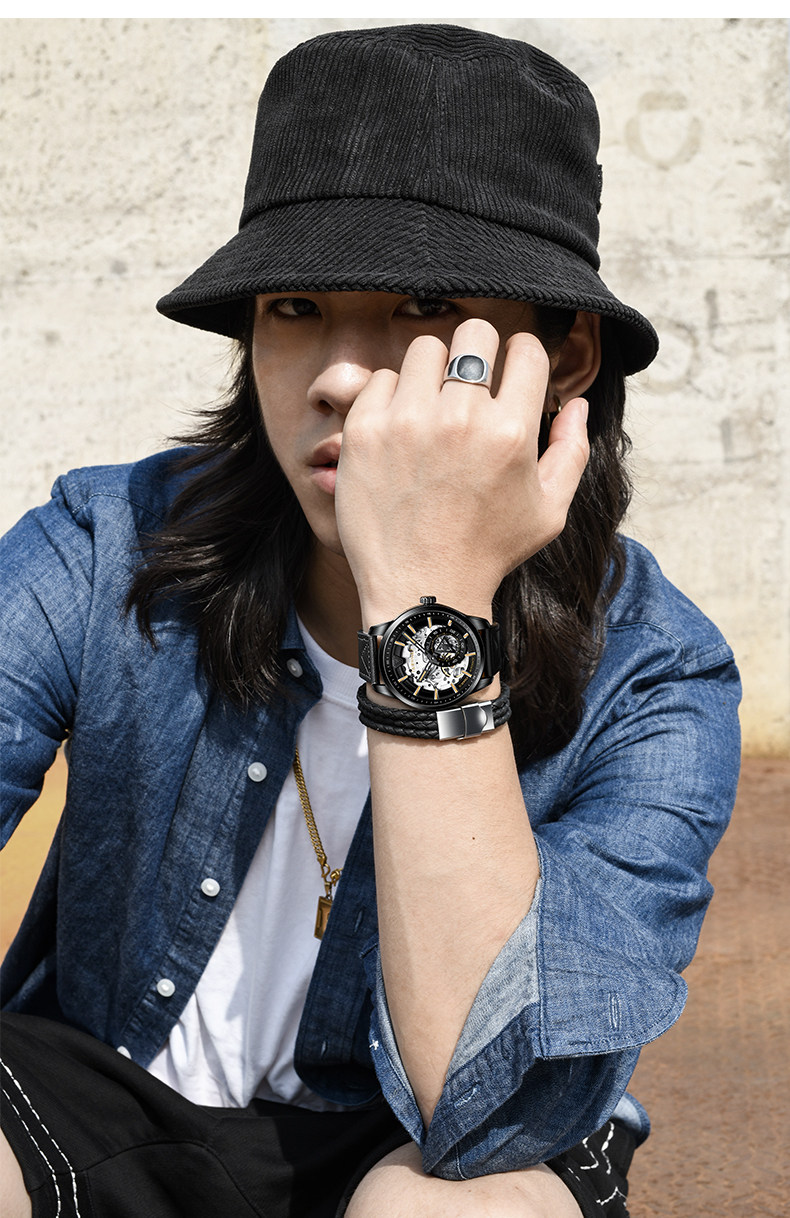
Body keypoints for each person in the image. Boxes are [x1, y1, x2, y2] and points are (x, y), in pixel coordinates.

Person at [0, 23, 741, 1218]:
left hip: (430, 1144)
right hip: (107, 1097)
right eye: (295, 305)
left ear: (565, 357)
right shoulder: (109, 544)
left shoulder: (655, 673)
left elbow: (482, 1103)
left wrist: (428, 601)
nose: (339, 375)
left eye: (422, 302)